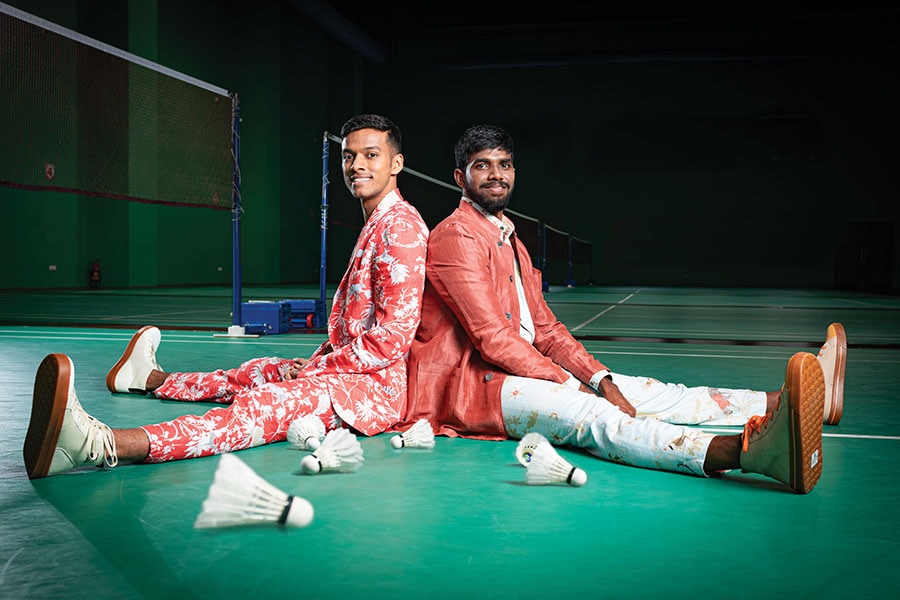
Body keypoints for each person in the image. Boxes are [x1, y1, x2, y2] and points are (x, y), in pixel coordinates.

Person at [398, 124, 846, 494]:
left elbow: (548, 329)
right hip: (484, 384)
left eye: (505, 164)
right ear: (461, 178)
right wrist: (575, 387)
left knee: (653, 392)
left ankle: (801, 401)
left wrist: (600, 379)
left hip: (527, 369)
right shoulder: (455, 236)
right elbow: (492, 339)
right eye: (483, 166)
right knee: (597, 418)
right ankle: (750, 455)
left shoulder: (510, 238)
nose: (496, 175)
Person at [23, 113, 430, 479]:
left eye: (371, 155)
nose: (357, 165)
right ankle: (150, 379)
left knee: (260, 406)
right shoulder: (376, 223)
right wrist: (319, 360)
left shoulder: (402, 228)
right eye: (348, 156)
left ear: (396, 164)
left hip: (369, 392)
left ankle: (98, 445)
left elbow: (392, 338)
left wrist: (316, 372)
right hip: (346, 371)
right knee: (258, 371)